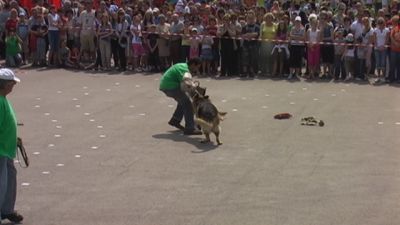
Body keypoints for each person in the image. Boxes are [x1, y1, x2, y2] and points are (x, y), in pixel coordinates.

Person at [0, 68, 24, 224]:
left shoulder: (3, 98)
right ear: (4, 84)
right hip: (1, 150)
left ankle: (7, 209)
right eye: (11, 83)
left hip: (7, 149)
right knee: (2, 182)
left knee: (10, 179)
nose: (13, 86)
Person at [159, 58, 202, 135]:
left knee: (183, 101)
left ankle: (175, 119)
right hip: (170, 87)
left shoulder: (183, 66)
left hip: (167, 85)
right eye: (197, 67)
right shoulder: (184, 70)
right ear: (193, 65)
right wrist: (197, 95)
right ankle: (190, 128)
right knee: (188, 104)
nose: (197, 69)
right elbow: (187, 86)